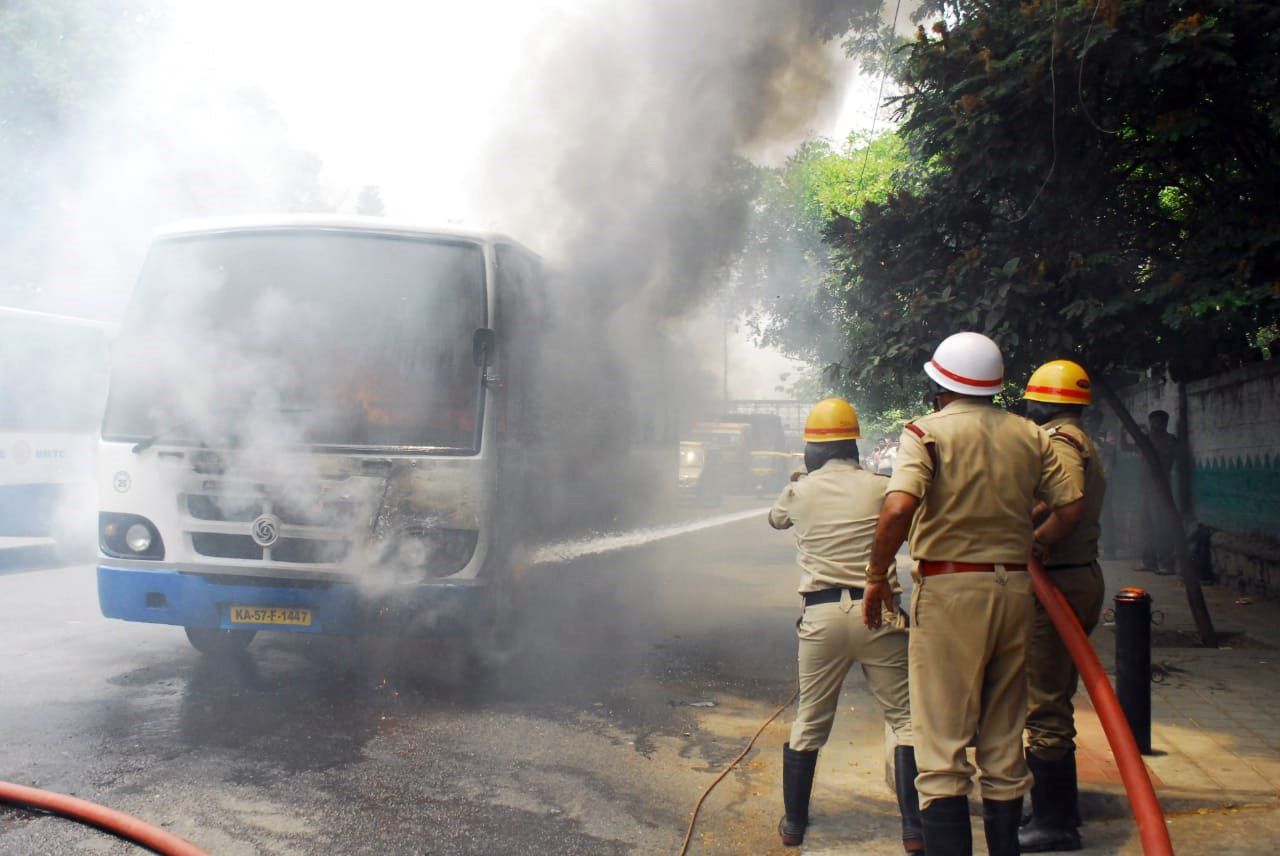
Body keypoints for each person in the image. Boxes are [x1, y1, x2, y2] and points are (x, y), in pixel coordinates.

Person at [861, 332, 1084, 856]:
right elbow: (1069, 507)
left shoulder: (926, 433)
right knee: (1005, 740)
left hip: (950, 590)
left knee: (940, 744)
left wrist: (876, 576)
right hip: (1015, 590)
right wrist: (1032, 541)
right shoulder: (1031, 434)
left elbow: (897, 509)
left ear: (939, 383)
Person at [769, 397, 923, 853]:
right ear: (854, 445)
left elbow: (776, 521)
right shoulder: (882, 486)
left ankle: (794, 822)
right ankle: (913, 827)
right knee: (905, 719)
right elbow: (908, 523)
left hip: (821, 619)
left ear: (811, 450)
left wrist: (799, 482)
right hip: (880, 612)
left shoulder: (798, 490)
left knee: (810, 721)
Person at [1019, 360, 1108, 852]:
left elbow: (1066, 506)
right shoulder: (1077, 437)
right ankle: (1056, 805)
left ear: (1042, 402)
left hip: (1058, 582)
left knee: (1046, 703)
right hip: (1074, 577)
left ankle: (1054, 823)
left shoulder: (1058, 441)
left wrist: (1038, 540)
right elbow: (1057, 499)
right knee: (1047, 692)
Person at [1124, 409, 1180, 574]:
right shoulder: (1146, 440)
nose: (1155, 425)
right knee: (1146, 525)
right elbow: (1126, 446)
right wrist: (1123, 431)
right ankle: (1149, 562)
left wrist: (1147, 440)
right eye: (1152, 422)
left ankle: (1166, 563)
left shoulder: (1170, 440)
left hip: (1160, 489)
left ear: (1165, 423)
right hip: (1145, 488)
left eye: (1158, 422)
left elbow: (1165, 456)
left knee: (1160, 526)